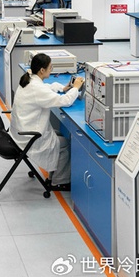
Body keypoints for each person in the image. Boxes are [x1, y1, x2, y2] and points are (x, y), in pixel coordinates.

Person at [10, 53, 84, 191]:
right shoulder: (37, 88)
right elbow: (65, 101)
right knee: (65, 145)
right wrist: (75, 88)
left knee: (57, 135)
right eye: (50, 67)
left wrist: (62, 88)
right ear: (42, 70)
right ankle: (58, 181)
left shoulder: (28, 80)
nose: (51, 70)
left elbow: (45, 89)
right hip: (29, 137)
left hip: (20, 132)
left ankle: (53, 176)